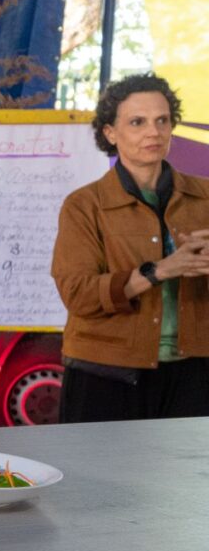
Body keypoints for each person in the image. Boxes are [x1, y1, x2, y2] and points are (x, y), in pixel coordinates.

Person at [51, 73, 209, 423]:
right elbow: (78, 294)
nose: (153, 132)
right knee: (102, 478)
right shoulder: (84, 205)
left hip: (195, 373)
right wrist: (160, 270)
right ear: (110, 133)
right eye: (137, 122)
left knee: (187, 478)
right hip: (106, 374)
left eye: (162, 120)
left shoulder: (206, 197)